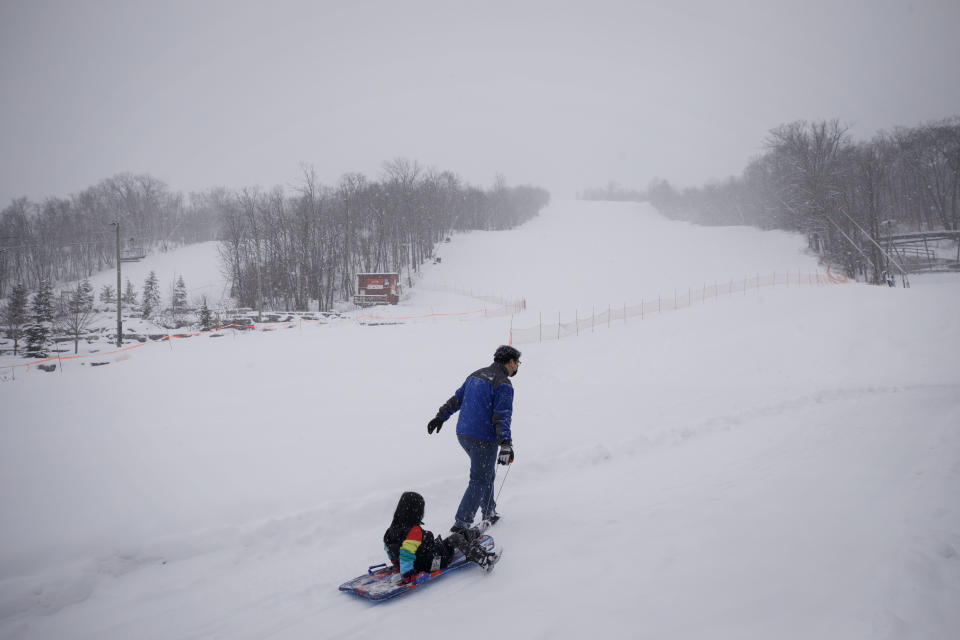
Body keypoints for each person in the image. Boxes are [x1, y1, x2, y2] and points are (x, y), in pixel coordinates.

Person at [427, 345, 520, 533]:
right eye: (517, 363)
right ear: (510, 362)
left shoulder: (476, 375)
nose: (517, 366)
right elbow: (502, 416)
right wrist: (505, 444)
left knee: (485, 474)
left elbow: (457, 399)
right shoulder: (503, 384)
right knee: (479, 479)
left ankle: (489, 511)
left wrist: (440, 416)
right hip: (482, 438)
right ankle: (461, 524)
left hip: (463, 434)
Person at [383, 491, 498, 581]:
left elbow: (390, 550)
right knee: (456, 538)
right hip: (432, 562)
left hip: (423, 558)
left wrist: (397, 565)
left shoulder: (391, 530)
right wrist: (407, 574)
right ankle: (483, 559)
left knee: (459, 535)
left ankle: (476, 531)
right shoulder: (414, 531)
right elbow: (406, 554)